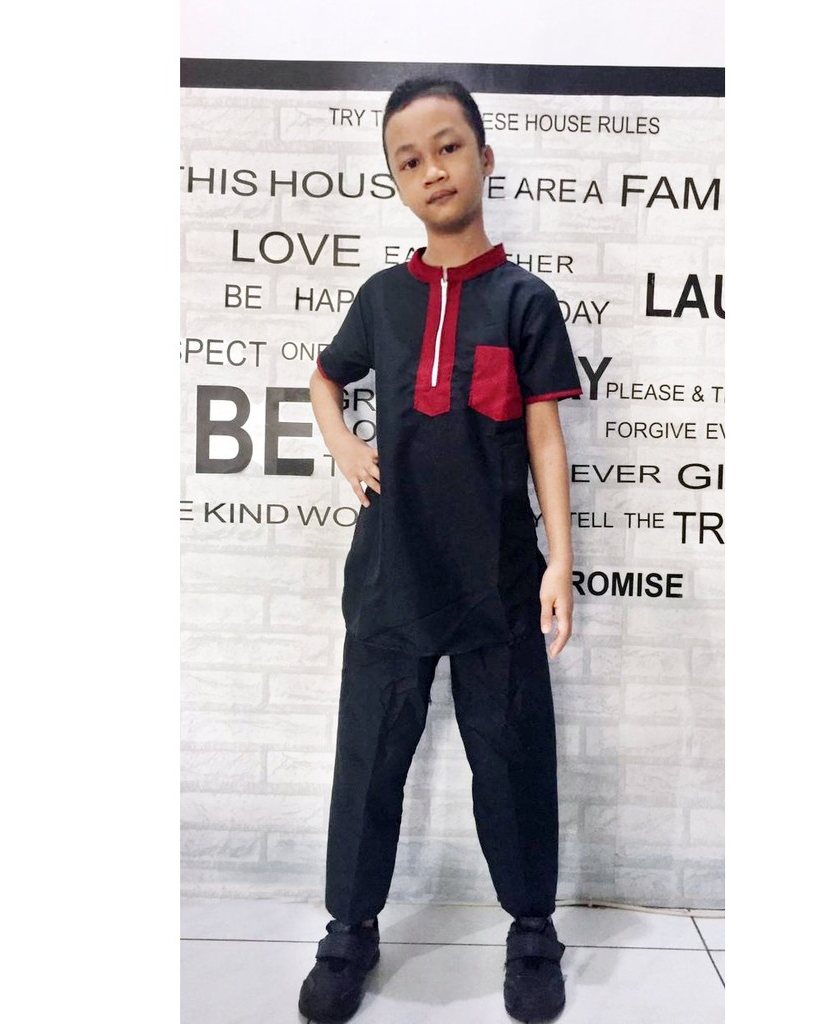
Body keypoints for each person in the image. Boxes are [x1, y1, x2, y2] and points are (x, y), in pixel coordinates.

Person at [298, 76, 582, 1024]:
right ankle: (349, 927)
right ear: (395, 181)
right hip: (392, 572)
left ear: (484, 157)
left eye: (449, 147)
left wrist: (559, 562)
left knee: (512, 755)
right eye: (409, 159)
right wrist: (345, 445)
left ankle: (533, 928)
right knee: (370, 757)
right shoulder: (382, 300)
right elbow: (324, 379)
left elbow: (544, 438)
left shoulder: (525, 301)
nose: (433, 170)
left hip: (497, 575)